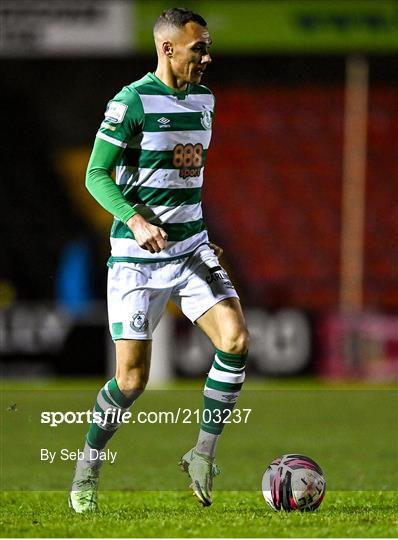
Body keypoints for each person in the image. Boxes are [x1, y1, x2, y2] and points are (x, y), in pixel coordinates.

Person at [69, 7, 249, 513]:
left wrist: (198, 232)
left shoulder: (206, 101)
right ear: (168, 48)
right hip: (136, 257)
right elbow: (95, 175)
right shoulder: (129, 102)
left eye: (208, 47)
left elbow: (186, 179)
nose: (207, 57)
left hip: (191, 249)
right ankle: (87, 465)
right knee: (131, 381)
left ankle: (201, 453)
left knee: (235, 339)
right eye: (199, 49)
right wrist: (136, 220)